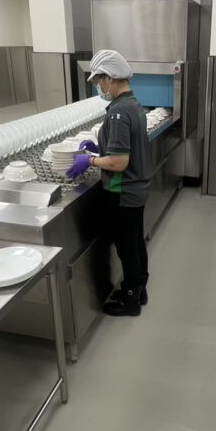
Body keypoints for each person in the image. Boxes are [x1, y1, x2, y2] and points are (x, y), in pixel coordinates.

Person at [66, 49, 153, 317]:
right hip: (137, 188)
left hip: (123, 190)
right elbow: (125, 147)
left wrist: (90, 161)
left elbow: (119, 162)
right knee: (135, 242)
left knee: (127, 248)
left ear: (110, 77)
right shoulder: (133, 104)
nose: (98, 86)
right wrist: (101, 146)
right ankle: (138, 288)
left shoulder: (118, 112)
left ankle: (131, 301)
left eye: (98, 80)